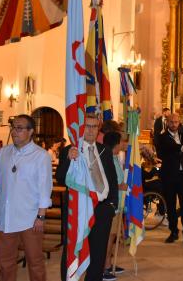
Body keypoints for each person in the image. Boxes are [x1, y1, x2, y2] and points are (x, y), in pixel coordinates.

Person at [56, 114, 119, 281]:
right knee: (73, 249)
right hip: (78, 210)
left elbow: (112, 180)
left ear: (98, 129)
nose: (90, 130)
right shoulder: (70, 150)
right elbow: (61, 178)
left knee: (98, 254)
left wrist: (112, 205)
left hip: (102, 209)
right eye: (87, 126)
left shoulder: (104, 151)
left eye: (94, 126)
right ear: (81, 128)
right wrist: (69, 159)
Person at [0, 114, 53, 281]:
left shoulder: (40, 156)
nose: (14, 131)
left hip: (30, 219)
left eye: (19, 128)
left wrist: (41, 216)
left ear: (31, 131)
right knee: (6, 263)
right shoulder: (3, 153)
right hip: (5, 217)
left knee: (35, 262)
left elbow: (45, 188)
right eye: (13, 127)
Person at [155, 112, 183, 247]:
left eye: (176, 122)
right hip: (169, 176)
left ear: (179, 123)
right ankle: (173, 231)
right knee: (171, 206)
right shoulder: (162, 137)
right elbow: (170, 147)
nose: (174, 125)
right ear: (167, 122)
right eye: (171, 122)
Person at [103, 134, 127, 281]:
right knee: (108, 237)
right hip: (111, 205)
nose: (123, 144)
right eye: (121, 142)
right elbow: (106, 184)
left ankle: (109, 263)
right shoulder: (107, 160)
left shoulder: (115, 158)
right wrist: (120, 186)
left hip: (117, 204)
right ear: (116, 144)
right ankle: (104, 267)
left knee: (112, 237)